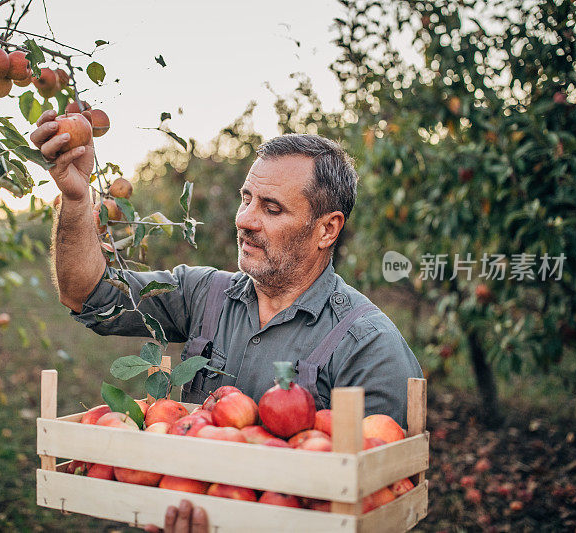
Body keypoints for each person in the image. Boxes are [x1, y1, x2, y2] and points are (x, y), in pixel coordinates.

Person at [30, 111, 422, 532]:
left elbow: (383, 506)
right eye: (246, 199)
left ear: (327, 229)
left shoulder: (369, 345)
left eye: (271, 209)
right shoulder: (204, 294)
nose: (245, 220)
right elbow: (87, 293)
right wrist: (75, 199)